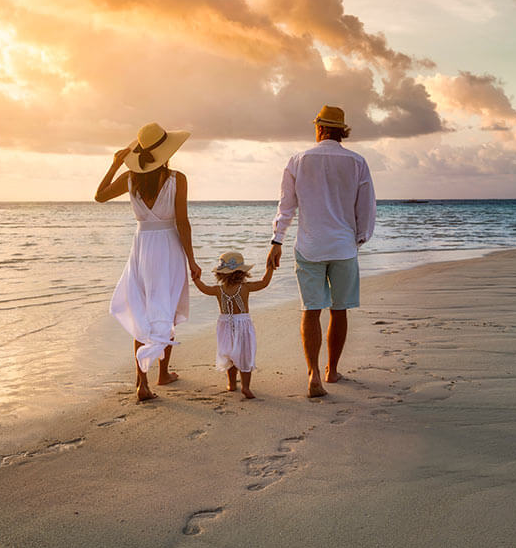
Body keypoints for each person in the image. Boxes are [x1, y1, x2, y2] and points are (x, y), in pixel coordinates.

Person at [267, 105, 376, 397]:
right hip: (343, 246)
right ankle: (331, 370)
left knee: (310, 310)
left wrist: (276, 241)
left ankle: (313, 372)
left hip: (309, 245)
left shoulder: (298, 160)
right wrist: (359, 239)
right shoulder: (357, 162)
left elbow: (286, 207)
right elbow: (365, 208)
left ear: (319, 128)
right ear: (342, 131)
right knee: (339, 310)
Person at [95, 122, 201, 402]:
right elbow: (182, 222)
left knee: (143, 310)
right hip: (168, 247)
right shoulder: (177, 179)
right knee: (165, 306)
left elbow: (99, 196)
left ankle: (141, 382)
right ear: (167, 152)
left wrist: (115, 165)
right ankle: (163, 373)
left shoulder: (131, 178)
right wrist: (192, 260)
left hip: (142, 249)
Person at [192, 251, 274, 399]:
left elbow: (204, 288)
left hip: (225, 325)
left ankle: (231, 384)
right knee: (244, 355)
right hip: (243, 324)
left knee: (229, 354)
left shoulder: (218, 290)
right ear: (242, 272)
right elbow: (264, 283)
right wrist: (270, 269)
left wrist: (196, 279)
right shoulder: (245, 287)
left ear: (221, 274)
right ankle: (246, 387)